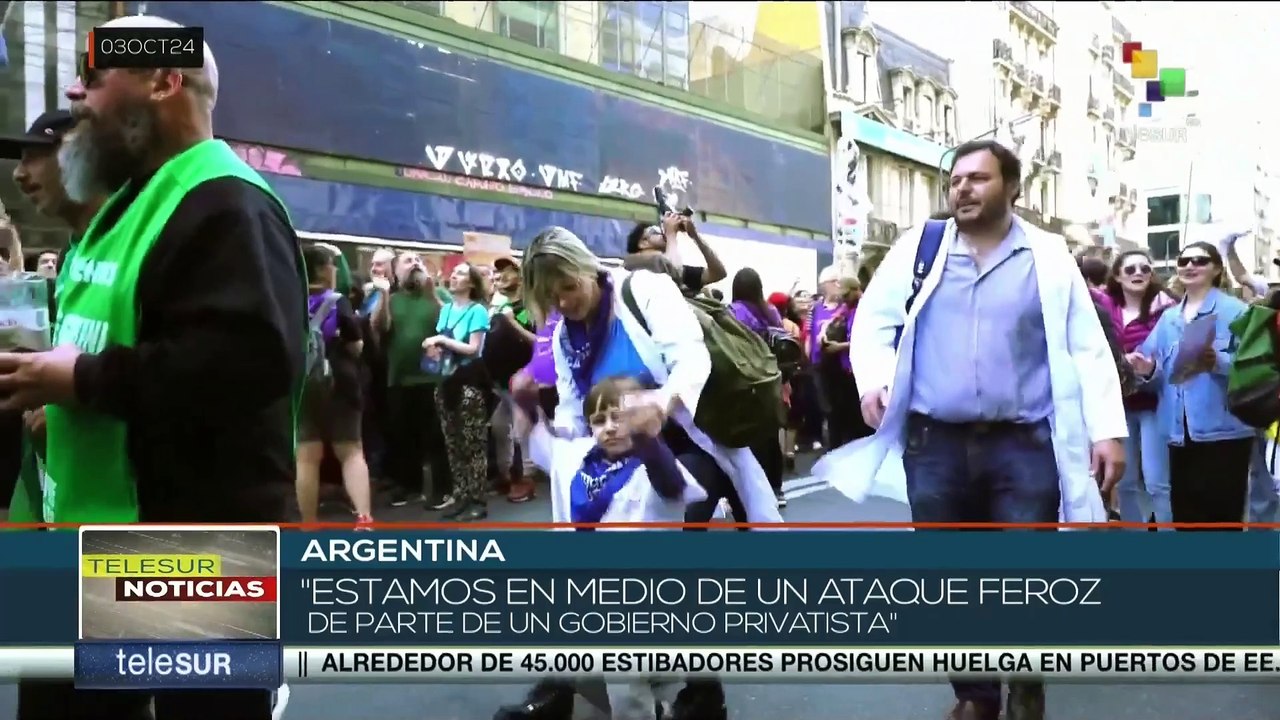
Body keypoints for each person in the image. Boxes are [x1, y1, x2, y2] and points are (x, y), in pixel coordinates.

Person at [1, 15, 304, 719]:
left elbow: (244, 364)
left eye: (97, 76)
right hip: (102, 536)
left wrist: (77, 381)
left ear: (165, 81)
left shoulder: (227, 203)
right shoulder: (127, 207)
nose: (76, 92)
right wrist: (52, 388)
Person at [815, 139, 1126, 720]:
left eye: (978, 178)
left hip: (1025, 442)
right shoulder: (920, 248)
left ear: (1012, 188)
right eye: (956, 179)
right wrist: (874, 383)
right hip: (936, 444)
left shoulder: (1049, 256)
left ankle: (1028, 674)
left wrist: (1107, 430)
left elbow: (1086, 346)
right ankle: (976, 695)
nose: (963, 188)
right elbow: (874, 325)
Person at [508, 375, 705, 720]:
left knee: (624, 679)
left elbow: (672, 485)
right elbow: (540, 437)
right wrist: (525, 400)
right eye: (599, 421)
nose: (611, 428)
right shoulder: (576, 457)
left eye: (620, 418)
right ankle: (658, 711)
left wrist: (647, 436)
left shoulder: (651, 466)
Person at [1129, 242, 1255, 528]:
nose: (1190, 266)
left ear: (1217, 269)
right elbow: (1153, 369)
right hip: (1177, 434)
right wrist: (1146, 369)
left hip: (1225, 434)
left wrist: (1218, 362)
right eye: (1184, 261)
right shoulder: (1169, 318)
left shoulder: (1236, 312)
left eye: (1199, 260)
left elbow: (1256, 370)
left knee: (1222, 521)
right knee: (1186, 518)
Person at [1096, 250, 1176, 526]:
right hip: (1118, 406)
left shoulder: (1168, 310)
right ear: (1117, 276)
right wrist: (1122, 362)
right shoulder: (1104, 309)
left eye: (1144, 268)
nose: (1138, 273)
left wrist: (1149, 368)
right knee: (1126, 483)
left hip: (1155, 404)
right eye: (1130, 269)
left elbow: (1176, 359)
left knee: (1157, 484)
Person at [295, 245, 372, 526]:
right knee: (350, 451)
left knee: (307, 456)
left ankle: (308, 524)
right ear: (322, 268)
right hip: (341, 382)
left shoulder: (290, 299)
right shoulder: (337, 301)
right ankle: (364, 520)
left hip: (303, 384)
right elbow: (356, 345)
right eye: (332, 264)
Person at [374, 252, 454, 509]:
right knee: (403, 436)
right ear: (396, 272)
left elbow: (452, 327)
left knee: (436, 437)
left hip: (433, 377)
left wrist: (433, 294)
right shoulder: (393, 298)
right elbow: (379, 327)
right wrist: (384, 295)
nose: (416, 263)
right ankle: (410, 487)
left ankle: (443, 490)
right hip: (400, 378)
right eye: (408, 261)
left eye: (418, 260)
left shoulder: (439, 296)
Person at [423, 262, 492, 521]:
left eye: (461, 273)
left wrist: (440, 340)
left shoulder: (478, 312)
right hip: (446, 380)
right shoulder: (447, 310)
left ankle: (478, 499)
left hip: (469, 381)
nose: (454, 276)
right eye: (454, 273)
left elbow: (473, 349)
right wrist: (433, 349)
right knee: (453, 442)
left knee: (473, 443)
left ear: (472, 282)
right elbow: (444, 347)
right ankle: (461, 495)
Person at [728, 268, 787, 505]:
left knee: (749, 441)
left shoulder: (732, 313)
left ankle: (754, 493)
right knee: (771, 436)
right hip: (771, 378)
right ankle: (777, 488)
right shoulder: (770, 312)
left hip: (745, 380)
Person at [486, 256, 538, 502]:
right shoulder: (496, 307)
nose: (501, 276)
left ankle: (525, 477)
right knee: (499, 427)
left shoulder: (528, 308)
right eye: (498, 273)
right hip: (501, 382)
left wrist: (511, 322)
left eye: (508, 271)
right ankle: (506, 474)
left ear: (520, 277)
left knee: (521, 430)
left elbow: (537, 341)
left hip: (524, 379)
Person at [625, 213, 726, 295]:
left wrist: (695, 236)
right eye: (655, 231)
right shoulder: (633, 265)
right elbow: (671, 268)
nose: (663, 233)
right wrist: (671, 234)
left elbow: (718, 273)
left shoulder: (675, 267)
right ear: (643, 243)